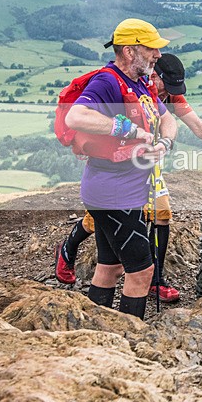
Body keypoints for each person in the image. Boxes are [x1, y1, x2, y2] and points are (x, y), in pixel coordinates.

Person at [55, 53, 202, 303]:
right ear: (154, 74)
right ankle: (67, 249)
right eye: (166, 86)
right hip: (115, 172)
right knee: (96, 222)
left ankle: (155, 281)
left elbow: (198, 127)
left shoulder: (166, 94)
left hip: (147, 164)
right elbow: (86, 119)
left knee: (162, 214)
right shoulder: (128, 86)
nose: (168, 94)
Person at [62, 18, 176, 319]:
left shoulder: (140, 83)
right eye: (152, 48)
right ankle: (130, 334)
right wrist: (128, 129)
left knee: (109, 267)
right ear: (129, 51)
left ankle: (98, 332)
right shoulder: (108, 81)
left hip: (124, 190)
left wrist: (164, 142)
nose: (158, 55)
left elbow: (167, 118)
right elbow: (75, 117)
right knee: (142, 272)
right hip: (114, 192)